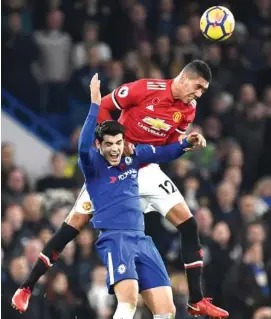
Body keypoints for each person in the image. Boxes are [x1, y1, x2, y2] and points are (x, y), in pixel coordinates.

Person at [12, 61, 227, 317]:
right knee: (72, 227)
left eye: (204, 90)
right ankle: (27, 286)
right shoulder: (145, 88)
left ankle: (196, 300)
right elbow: (104, 106)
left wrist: (183, 145)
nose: (199, 94)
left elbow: (165, 149)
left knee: (189, 224)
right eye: (199, 86)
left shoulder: (189, 111)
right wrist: (115, 143)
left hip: (144, 165)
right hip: (113, 167)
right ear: (184, 77)